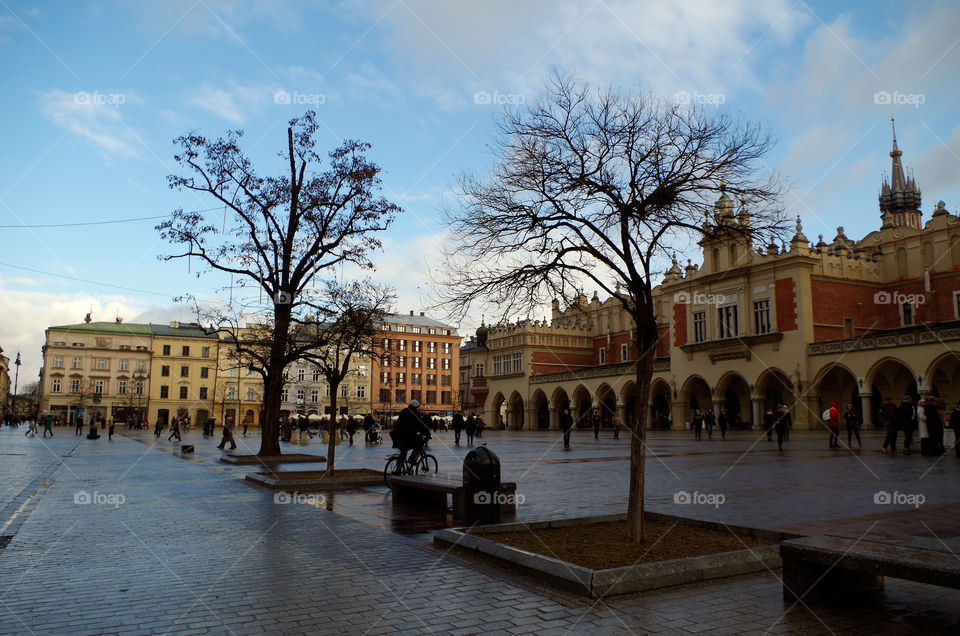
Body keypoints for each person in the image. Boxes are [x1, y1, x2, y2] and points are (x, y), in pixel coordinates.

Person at [391, 400, 429, 468]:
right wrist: (427, 434)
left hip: (397, 437)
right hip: (407, 437)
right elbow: (421, 425)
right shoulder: (415, 413)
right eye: (418, 407)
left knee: (403, 451)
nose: (419, 409)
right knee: (419, 444)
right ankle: (412, 459)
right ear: (415, 407)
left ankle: (398, 469)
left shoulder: (404, 411)